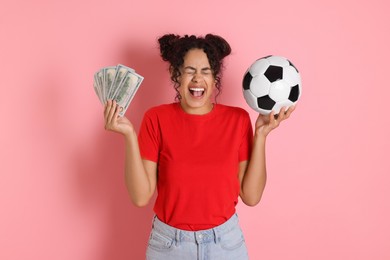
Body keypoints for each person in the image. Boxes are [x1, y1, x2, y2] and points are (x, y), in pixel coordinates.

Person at [104, 33, 295, 260]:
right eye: (189, 71)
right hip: (168, 246)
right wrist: (128, 135)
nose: (197, 79)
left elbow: (251, 197)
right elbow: (140, 197)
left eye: (205, 71)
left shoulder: (238, 120)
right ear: (177, 76)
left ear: (215, 79)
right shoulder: (156, 119)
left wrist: (261, 135)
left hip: (226, 245)